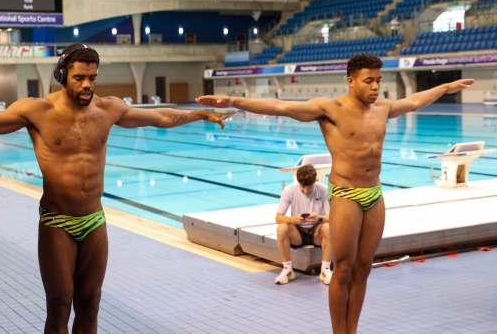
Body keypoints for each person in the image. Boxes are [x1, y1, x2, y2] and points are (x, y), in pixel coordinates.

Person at [0, 42, 235, 334]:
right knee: (59, 308)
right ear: (63, 76)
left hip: (95, 221)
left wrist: (200, 115)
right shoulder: (37, 111)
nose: (88, 85)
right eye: (79, 78)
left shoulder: (109, 109)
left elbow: (160, 117)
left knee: (90, 305)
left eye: (92, 78)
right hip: (57, 222)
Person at [195, 54, 473, 334]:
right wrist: (233, 101)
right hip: (346, 194)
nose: (375, 87)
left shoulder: (383, 108)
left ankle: (351, 330)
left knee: (364, 267)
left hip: (374, 194)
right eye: (368, 81)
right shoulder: (330, 109)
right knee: (342, 268)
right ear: (351, 81)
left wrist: (445, 87)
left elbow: (414, 101)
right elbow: (280, 106)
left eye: (378, 80)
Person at [275, 165, 332, 285]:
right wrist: (293, 219)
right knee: (281, 228)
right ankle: (287, 270)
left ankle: (325, 270)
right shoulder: (289, 191)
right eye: (303, 187)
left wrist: (319, 218)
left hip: (317, 232)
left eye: (309, 187)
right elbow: (278, 218)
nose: (306, 191)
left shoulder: (323, 190)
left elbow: (333, 218)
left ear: (315, 182)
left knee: (328, 227)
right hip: (297, 233)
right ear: (298, 182)